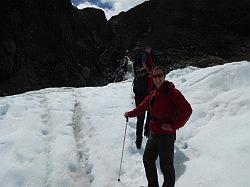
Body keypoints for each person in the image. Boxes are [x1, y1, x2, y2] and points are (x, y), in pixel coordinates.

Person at [125, 66, 192, 187]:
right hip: (154, 132)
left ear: (164, 76)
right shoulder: (154, 92)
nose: (157, 79)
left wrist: (174, 126)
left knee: (166, 166)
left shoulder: (172, 92)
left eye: (160, 76)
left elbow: (187, 110)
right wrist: (130, 114)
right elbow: (143, 106)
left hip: (166, 135)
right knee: (148, 159)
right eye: (155, 76)